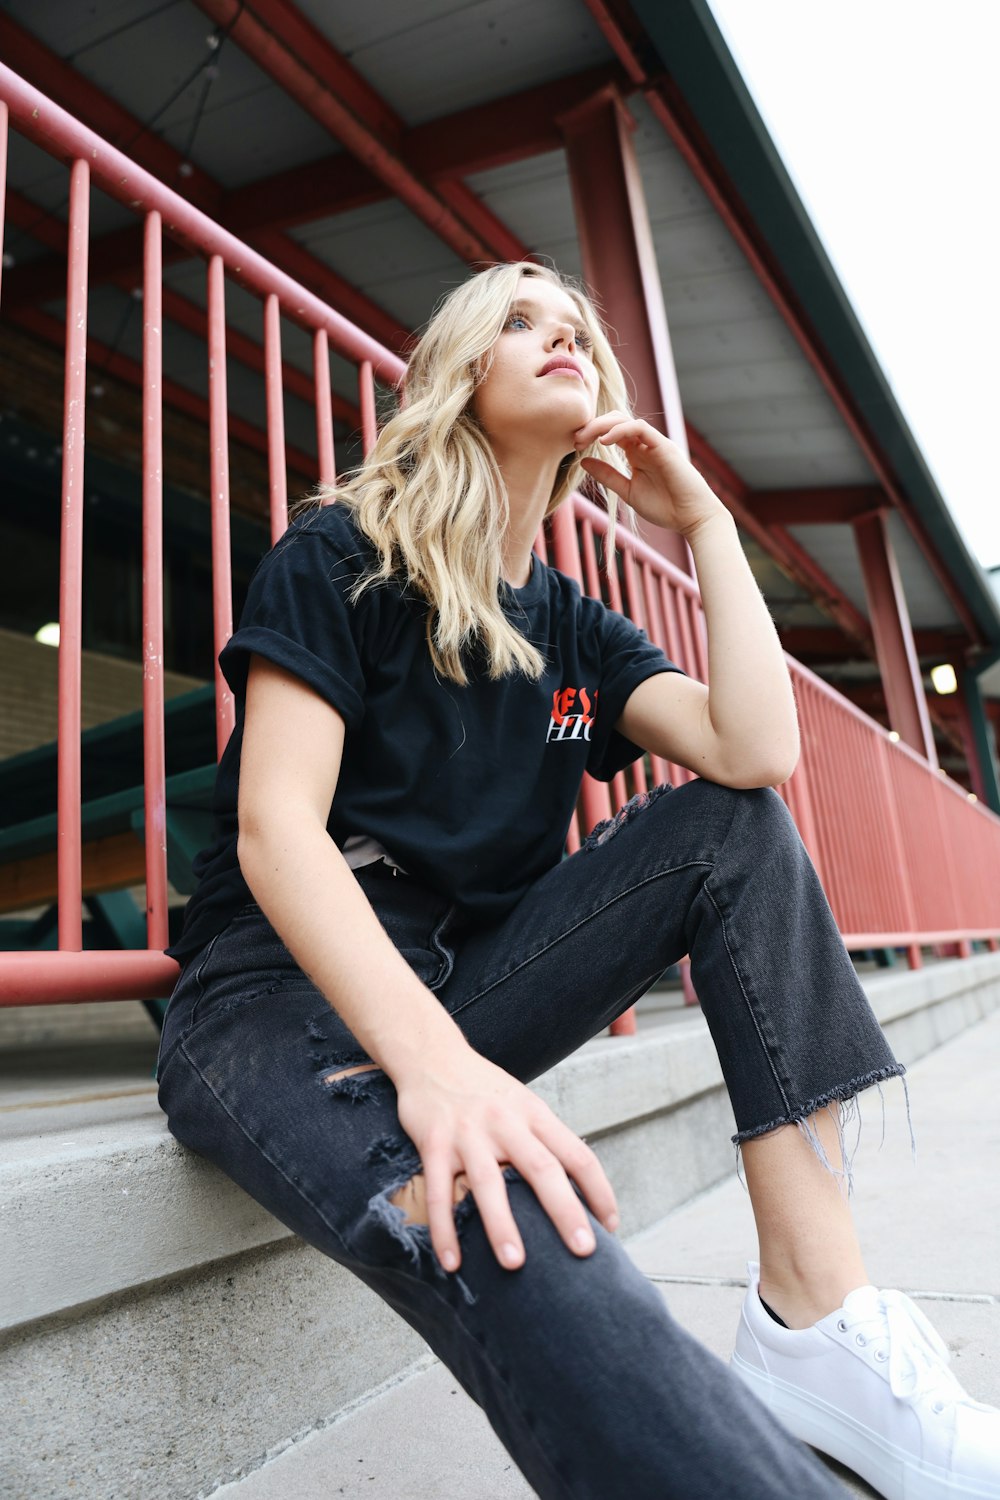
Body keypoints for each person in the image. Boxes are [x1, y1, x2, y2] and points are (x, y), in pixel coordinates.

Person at [156, 261, 1000, 1500]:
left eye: (575, 330)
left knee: (734, 828)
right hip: (280, 999)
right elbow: (276, 832)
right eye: (519, 320)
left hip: (465, 984)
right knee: (505, 1215)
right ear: (459, 370)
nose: (560, 339)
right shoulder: (346, 550)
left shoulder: (575, 628)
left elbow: (752, 754)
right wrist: (440, 1076)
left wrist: (702, 522)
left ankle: (817, 1322)